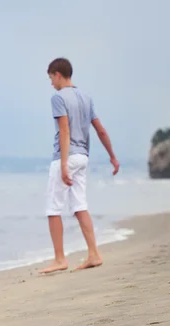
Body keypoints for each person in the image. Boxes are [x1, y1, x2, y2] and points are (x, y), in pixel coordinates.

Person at [40, 58, 120, 274]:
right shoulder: (86, 98)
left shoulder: (58, 98)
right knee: (79, 205)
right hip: (83, 157)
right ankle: (94, 253)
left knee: (53, 208)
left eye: (50, 78)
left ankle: (59, 259)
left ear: (57, 74)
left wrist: (64, 164)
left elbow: (64, 130)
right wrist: (112, 156)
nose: (51, 83)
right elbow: (100, 130)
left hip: (65, 157)